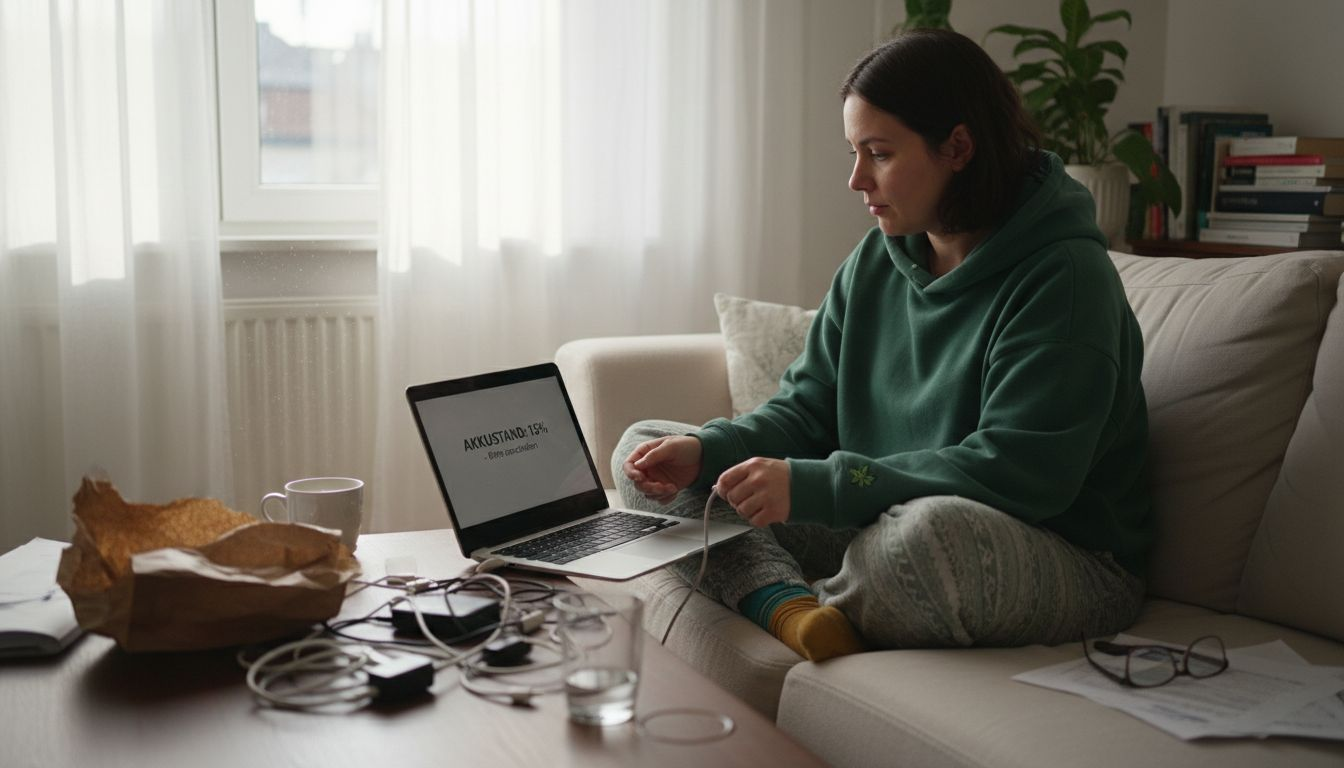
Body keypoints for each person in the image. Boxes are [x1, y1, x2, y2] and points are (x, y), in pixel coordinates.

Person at [615, 29, 1151, 662]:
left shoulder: (1063, 277)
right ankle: (793, 610)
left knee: (923, 544)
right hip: (878, 515)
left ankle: (831, 589)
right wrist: (712, 449)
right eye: (854, 152)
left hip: (1057, 550)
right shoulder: (877, 258)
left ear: (957, 146)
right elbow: (808, 409)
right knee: (646, 448)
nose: (856, 180)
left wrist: (825, 486)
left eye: (879, 153)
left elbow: (1020, 472)